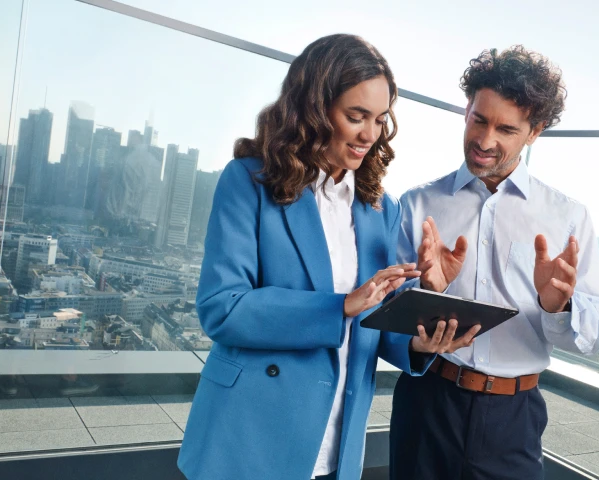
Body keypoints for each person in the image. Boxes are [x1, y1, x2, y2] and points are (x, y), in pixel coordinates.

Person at [177, 34, 476, 480]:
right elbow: (223, 308)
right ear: (313, 109)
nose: (369, 135)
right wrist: (338, 307)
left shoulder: (381, 209)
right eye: (356, 117)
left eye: (379, 119)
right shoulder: (249, 182)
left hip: (337, 442)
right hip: (249, 433)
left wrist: (423, 324)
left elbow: (375, 325)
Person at [390, 45, 599, 480]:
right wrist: (428, 292)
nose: (485, 140)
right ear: (466, 109)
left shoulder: (568, 218)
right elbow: (391, 318)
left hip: (514, 416)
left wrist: (558, 306)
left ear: (535, 132)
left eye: (507, 129)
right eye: (479, 119)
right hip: (427, 402)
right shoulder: (419, 204)